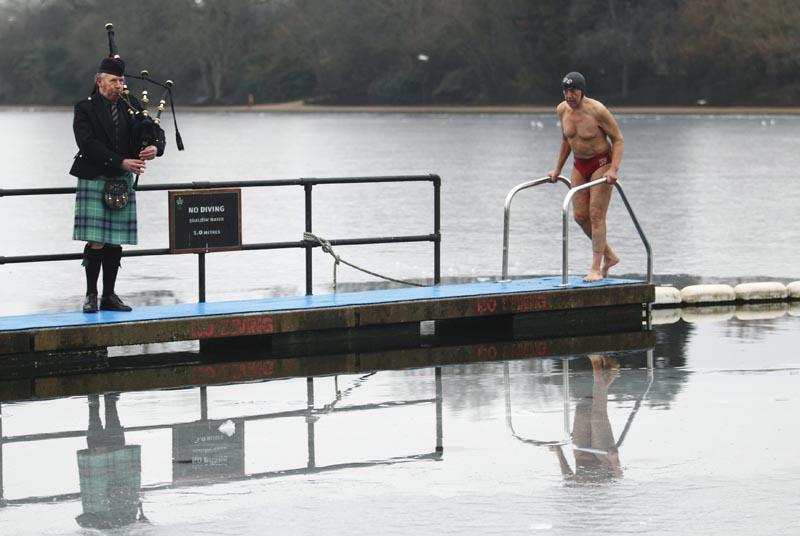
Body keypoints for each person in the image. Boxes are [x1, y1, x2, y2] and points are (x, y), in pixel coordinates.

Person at [70, 55, 163, 312]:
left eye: (121, 81)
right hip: (95, 176)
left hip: (121, 179)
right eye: (113, 81)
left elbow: (155, 130)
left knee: (115, 240)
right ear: (99, 81)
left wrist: (155, 147)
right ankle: (91, 295)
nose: (118, 86)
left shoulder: (130, 104)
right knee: (96, 240)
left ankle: (109, 295)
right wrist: (121, 162)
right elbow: (87, 144)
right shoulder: (84, 108)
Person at [547, 71, 624, 282]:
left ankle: (596, 268)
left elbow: (618, 139)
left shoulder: (597, 111)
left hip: (601, 163)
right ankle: (610, 256)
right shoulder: (562, 110)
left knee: (596, 215)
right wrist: (557, 170)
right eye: (566, 91)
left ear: (582, 92)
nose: (569, 95)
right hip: (579, 165)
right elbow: (566, 140)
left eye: (573, 91)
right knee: (580, 217)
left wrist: (613, 169)